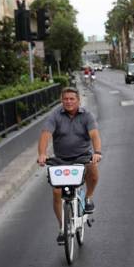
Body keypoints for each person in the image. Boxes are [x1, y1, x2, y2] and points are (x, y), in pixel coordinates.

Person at [37, 87, 102, 243]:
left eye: (72, 99)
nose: (68, 101)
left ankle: (88, 198)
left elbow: (94, 135)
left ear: (78, 100)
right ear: (62, 100)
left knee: (93, 170)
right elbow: (45, 135)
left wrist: (97, 152)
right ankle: (62, 228)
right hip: (61, 159)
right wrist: (42, 154)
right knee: (57, 192)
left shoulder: (86, 116)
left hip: (82, 156)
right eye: (65, 99)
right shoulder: (55, 116)